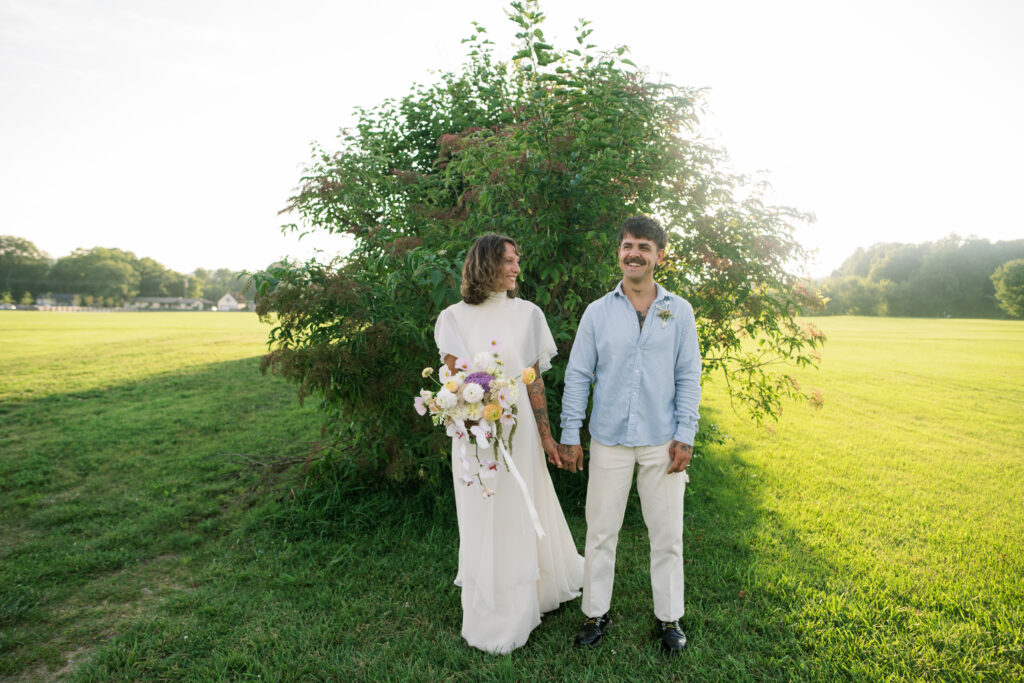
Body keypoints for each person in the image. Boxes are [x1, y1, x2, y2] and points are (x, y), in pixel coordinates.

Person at [434, 233, 584, 654]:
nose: (517, 269)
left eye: (518, 261)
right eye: (509, 261)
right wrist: (473, 413)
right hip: (474, 439)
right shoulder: (453, 317)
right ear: (486, 264)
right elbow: (454, 382)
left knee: (522, 507)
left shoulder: (529, 314)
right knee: (482, 515)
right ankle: (490, 602)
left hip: (518, 437)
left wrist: (546, 435)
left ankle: (526, 600)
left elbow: (532, 382)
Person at [558, 216, 702, 655]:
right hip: (608, 439)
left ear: (660, 255)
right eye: (626, 245)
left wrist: (686, 433)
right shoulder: (598, 312)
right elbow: (579, 374)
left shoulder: (678, 310)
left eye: (643, 245)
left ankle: (669, 618)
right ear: (619, 253)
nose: (633, 252)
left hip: (662, 439)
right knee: (601, 531)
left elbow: (688, 376)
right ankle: (596, 612)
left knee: (667, 534)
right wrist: (570, 434)